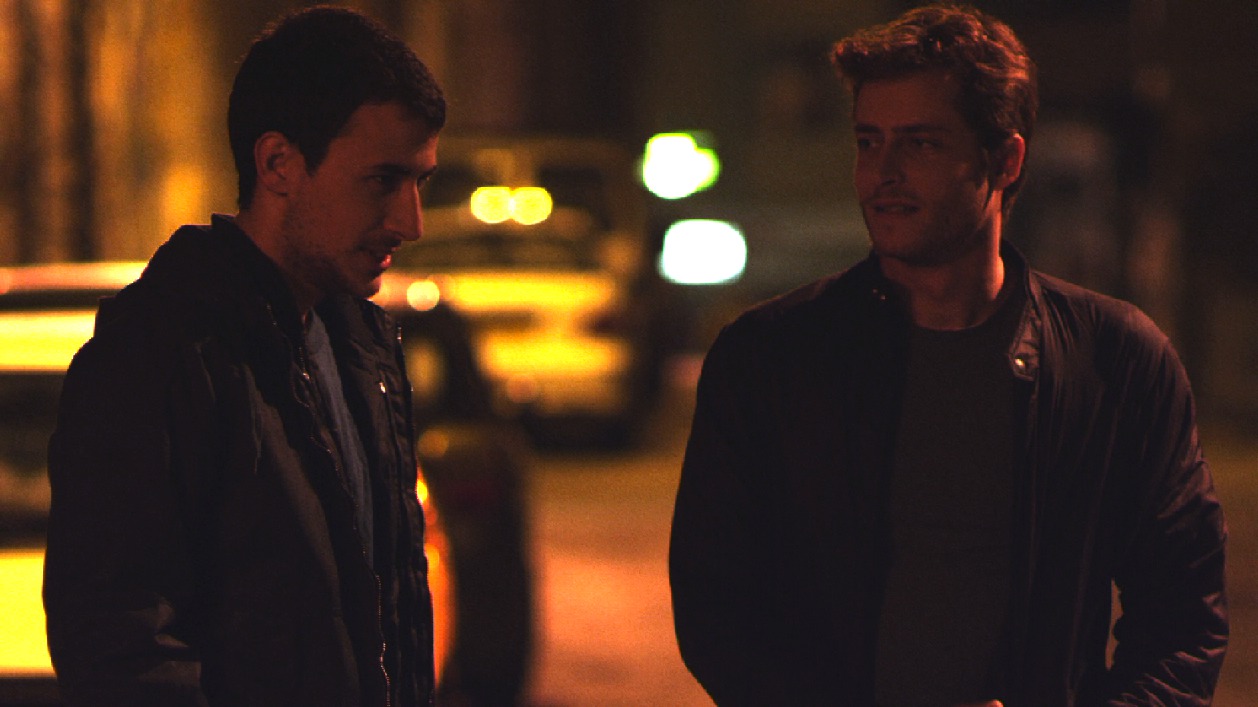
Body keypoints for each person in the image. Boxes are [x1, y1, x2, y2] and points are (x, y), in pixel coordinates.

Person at [669, 4, 1228, 706]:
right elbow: (718, 610)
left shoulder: (1115, 360)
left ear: (1005, 160)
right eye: (869, 141)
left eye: (921, 144)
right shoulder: (769, 360)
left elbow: (1183, 617)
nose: (883, 173)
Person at [42, 7, 445, 706]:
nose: (411, 222)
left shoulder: (362, 347)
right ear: (278, 164)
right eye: (382, 181)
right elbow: (118, 643)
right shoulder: (158, 355)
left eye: (421, 182)